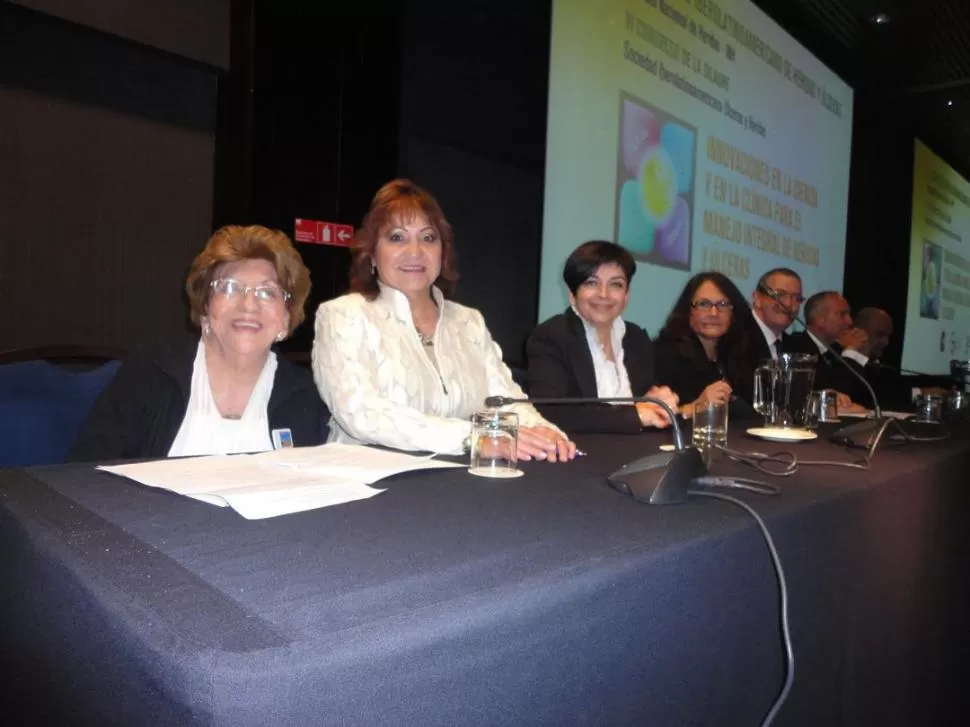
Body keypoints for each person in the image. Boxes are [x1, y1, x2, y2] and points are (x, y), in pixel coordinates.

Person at [312, 179, 576, 461]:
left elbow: (504, 399)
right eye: (397, 238)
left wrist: (542, 429)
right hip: (367, 482)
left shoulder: (468, 321)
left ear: (442, 252)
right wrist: (472, 438)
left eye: (428, 238)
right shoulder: (342, 315)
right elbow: (362, 413)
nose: (415, 252)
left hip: (459, 479)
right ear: (372, 255)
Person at [70, 225, 328, 461]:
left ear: (286, 317)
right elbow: (87, 472)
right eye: (229, 288)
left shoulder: (308, 395)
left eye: (267, 292)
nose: (248, 305)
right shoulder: (152, 371)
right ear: (205, 305)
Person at [525, 240, 678, 433]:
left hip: (638, 453)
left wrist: (660, 403)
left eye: (616, 285)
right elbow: (549, 411)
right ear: (572, 294)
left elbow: (648, 404)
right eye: (592, 283)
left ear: (626, 295)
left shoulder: (636, 339)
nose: (603, 294)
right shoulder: (551, 336)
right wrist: (635, 414)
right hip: (582, 455)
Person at [654, 272, 760, 417]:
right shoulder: (665, 354)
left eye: (723, 304)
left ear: (733, 313)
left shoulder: (737, 354)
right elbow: (655, 415)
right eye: (704, 304)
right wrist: (696, 406)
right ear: (688, 311)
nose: (714, 313)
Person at [783, 291, 870, 406]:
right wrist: (851, 352)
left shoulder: (838, 349)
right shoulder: (797, 348)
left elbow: (867, 397)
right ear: (819, 320)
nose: (850, 321)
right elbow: (836, 394)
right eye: (842, 315)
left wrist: (861, 353)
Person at [751, 267, 804, 361]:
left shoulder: (796, 348)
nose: (788, 303)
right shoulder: (736, 338)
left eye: (796, 298)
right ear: (758, 299)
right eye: (780, 295)